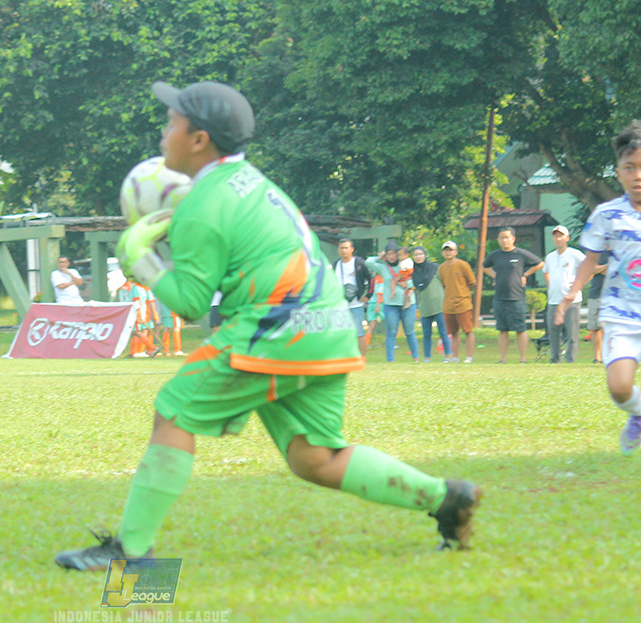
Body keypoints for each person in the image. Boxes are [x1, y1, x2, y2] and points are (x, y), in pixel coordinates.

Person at [55, 80, 481, 572]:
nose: (162, 132)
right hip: (326, 324)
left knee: (173, 413)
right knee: (314, 457)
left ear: (199, 139)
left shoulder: (202, 202)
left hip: (277, 328)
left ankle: (130, 554)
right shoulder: (251, 181)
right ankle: (447, 498)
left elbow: (190, 303)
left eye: (172, 123)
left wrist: (140, 260)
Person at [557, 120, 641, 456]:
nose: (637, 175)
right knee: (619, 388)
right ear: (618, 173)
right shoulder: (607, 215)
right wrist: (570, 293)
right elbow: (590, 261)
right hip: (621, 314)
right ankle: (638, 413)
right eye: (629, 168)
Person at [483, 227, 544, 363]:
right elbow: (485, 267)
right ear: (498, 240)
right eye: (501, 237)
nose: (504, 240)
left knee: (520, 329)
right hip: (500, 298)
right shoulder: (495, 255)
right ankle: (503, 359)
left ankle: (522, 359)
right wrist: (495, 276)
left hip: (517, 297)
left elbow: (539, 263)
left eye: (507, 237)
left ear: (513, 239)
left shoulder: (521, 254)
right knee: (502, 330)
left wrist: (525, 274)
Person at [366, 242, 419, 362]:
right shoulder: (383, 267)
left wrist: (409, 286)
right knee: (391, 332)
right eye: (388, 254)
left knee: (410, 331)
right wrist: (379, 257)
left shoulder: (405, 264)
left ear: (398, 254)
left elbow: (414, 279)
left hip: (408, 303)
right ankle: (390, 360)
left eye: (393, 253)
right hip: (390, 305)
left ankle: (416, 358)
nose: (391, 256)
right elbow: (368, 262)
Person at [543, 225, 586, 363]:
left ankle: (570, 360)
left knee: (572, 332)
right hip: (554, 300)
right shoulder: (550, 257)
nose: (558, 239)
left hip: (571, 300)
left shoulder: (575, 254)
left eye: (561, 236)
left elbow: (588, 269)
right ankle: (554, 359)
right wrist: (550, 285)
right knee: (553, 332)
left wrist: (580, 284)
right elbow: (545, 271)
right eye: (555, 236)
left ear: (567, 238)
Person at [331, 238, 373, 356]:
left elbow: (371, 278)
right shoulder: (336, 265)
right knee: (339, 333)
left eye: (346, 248)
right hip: (339, 305)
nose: (344, 251)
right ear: (338, 250)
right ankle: (343, 358)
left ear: (352, 249)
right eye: (341, 248)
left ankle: (362, 358)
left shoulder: (359, 263)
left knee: (359, 332)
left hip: (356, 305)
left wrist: (368, 295)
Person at [412, 247, 452, 362]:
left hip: (439, 305)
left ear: (425, 255)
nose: (418, 257)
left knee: (443, 332)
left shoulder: (435, 268)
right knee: (426, 334)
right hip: (424, 306)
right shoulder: (412, 272)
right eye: (416, 255)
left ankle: (448, 356)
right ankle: (427, 357)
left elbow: (445, 282)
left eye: (420, 254)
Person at [438, 241, 476, 363]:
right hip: (448, 304)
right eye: (446, 250)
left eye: (450, 250)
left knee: (468, 330)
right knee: (453, 332)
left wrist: (462, 293)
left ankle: (469, 356)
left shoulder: (463, 265)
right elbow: (443, 283)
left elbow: (472, 282)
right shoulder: (442, 268)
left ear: (456, 252)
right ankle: (455, 357)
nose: (448, 252)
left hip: (463, 303)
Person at [586, 253, 608, 364]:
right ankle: (597, 357)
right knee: (596, 327)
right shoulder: (597, 254)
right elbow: (590, 269)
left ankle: (607, 356)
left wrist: (599, 269)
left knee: (607, 327)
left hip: (612, 295)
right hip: (595, 294)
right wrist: (606, 266)